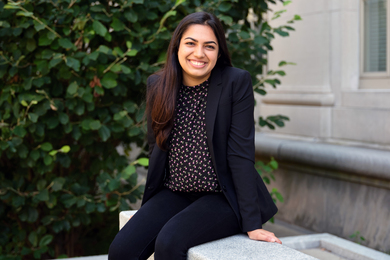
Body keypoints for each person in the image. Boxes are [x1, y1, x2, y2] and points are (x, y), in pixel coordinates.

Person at [108, 12, 281, 260]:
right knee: (121, 250)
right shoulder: (158, 85)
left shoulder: (235, 82)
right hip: (175, 191)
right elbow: (155, 150)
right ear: (177, 46)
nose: (199, 53)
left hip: (223, 196)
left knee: (169, 243)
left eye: (209, 46)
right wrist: (148, 210)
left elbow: (241, 155)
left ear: (219, 52)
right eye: (191, 43)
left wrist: (252, 223)